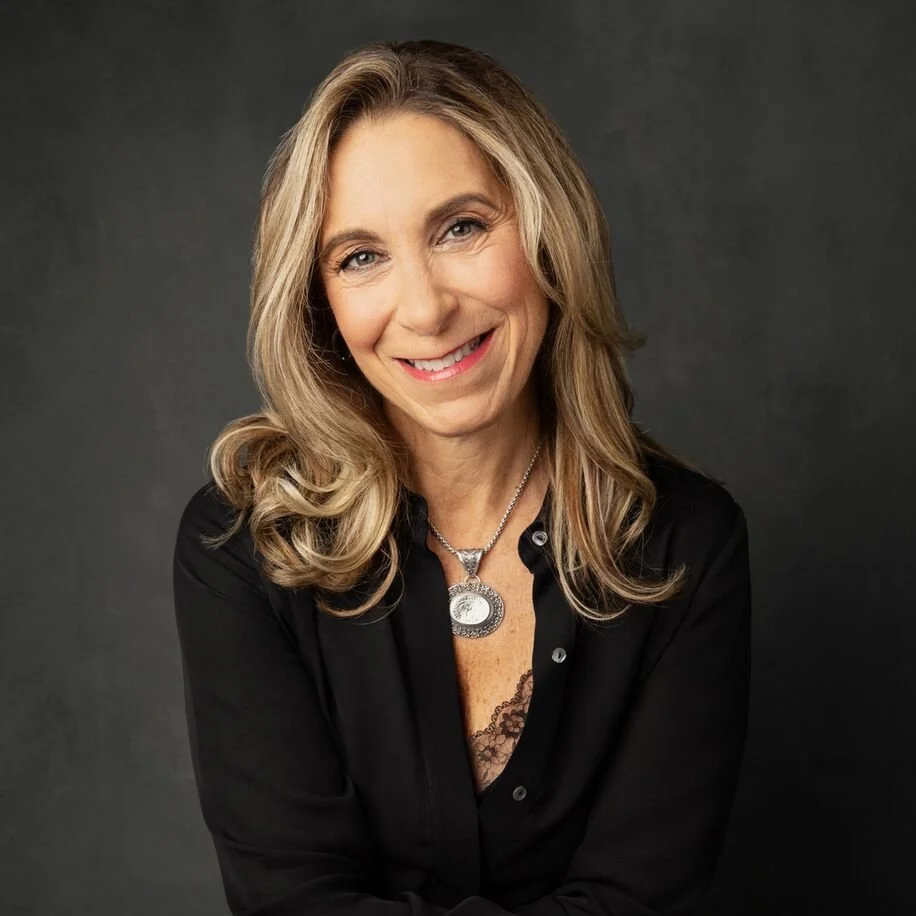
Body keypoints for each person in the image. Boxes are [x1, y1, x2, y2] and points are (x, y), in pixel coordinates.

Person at [172, 39, 752, 916]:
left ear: (549, 230)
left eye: (462, 228)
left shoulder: (686, 545)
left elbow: (638, 900)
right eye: (360, 256)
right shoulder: (244, 548)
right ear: (318, 299)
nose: (427, 308)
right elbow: (292, 901)